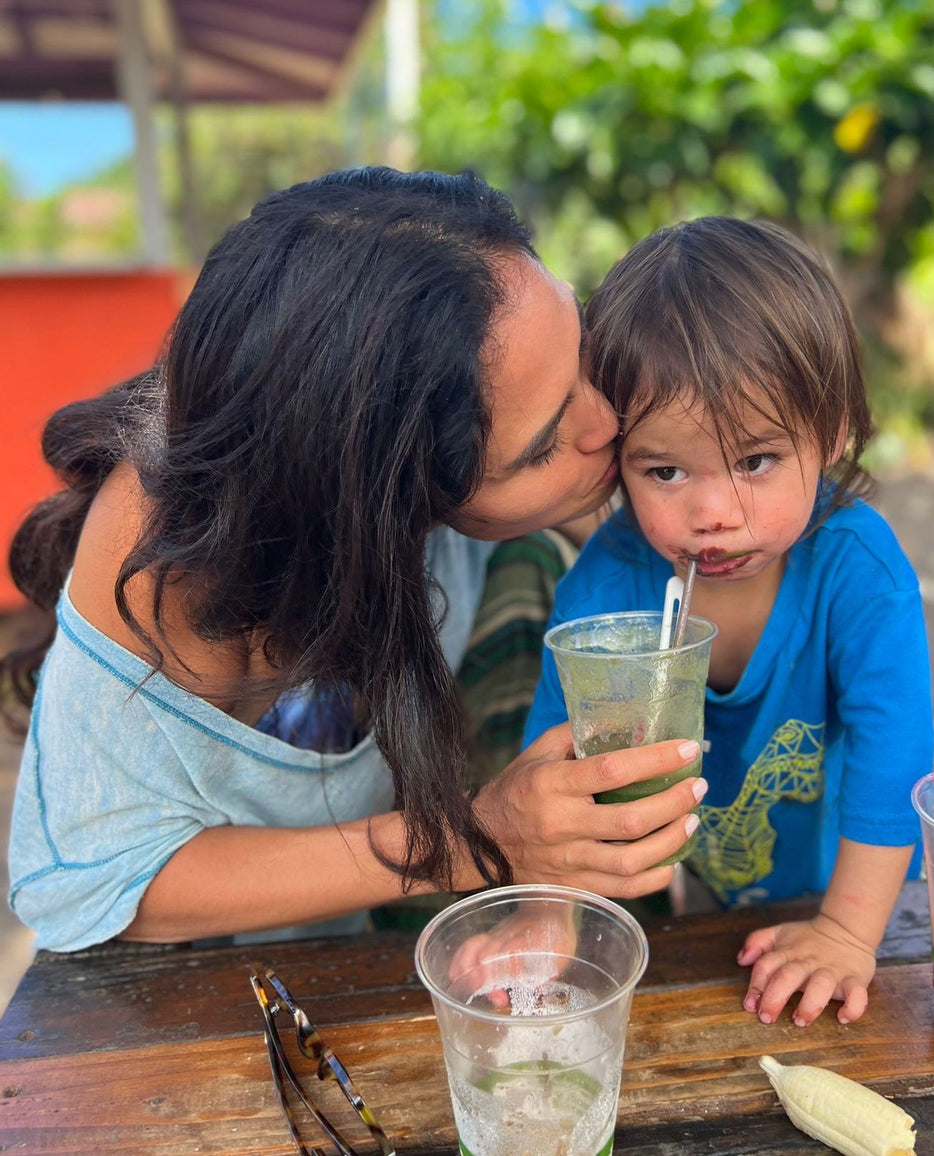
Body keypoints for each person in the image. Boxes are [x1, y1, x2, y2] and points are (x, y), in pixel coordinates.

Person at [1, 167, 705, 953]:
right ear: (380, 508)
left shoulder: (478, 407)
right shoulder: (156, 567)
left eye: (583, 350)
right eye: (542, 447)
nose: (608, 418)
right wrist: (474, 839)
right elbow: (91, 881)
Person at [523, 217, 934, 1027]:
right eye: (666, 469)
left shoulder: (859, 574)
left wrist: (848, 932)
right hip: (690, 902)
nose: (713, 512)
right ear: (616, 457)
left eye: (756, 461)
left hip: (838, 887)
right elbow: (552, 778)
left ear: (835, 430)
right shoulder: (605, 588)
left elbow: (894, 760)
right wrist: (547, 919)